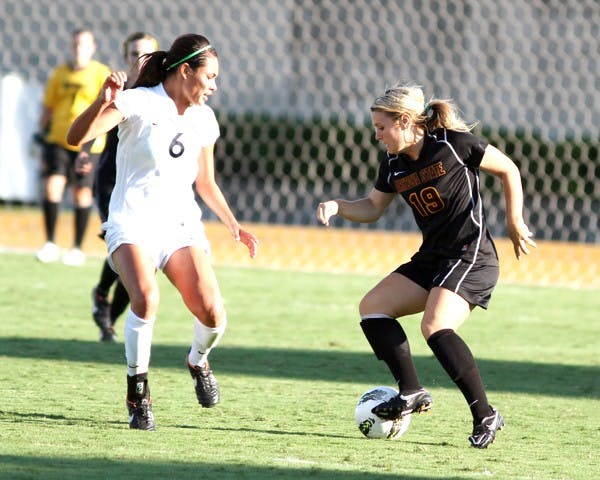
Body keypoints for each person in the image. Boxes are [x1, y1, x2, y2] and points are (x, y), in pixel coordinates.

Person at [317, 83, 536, 448]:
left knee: (434, 325)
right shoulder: (393, 162)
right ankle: (412, 391)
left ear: (404, 121)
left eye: (381, 127)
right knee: (373, 308)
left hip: (471, 254)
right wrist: (338, 205)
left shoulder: (453, 144)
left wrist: (515, 221)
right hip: (434, 257)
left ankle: (486, 415)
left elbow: (509, 169)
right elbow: (373, 207)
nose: (377, 135)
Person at [67, 33, 258, 430]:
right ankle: (138, 392)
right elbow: (76, 137)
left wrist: (234, 226)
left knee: (212, 313)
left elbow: (205, 184)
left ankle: (198, 360)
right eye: (210, 76)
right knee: (146, 297)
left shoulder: (204, 119)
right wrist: (103, 101)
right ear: (185, 70)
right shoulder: (138, 101)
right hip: (132, 221)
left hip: (180, 225)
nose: (215, 85)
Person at [89, 32, 159, 342]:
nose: (139, 60)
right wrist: (81, 153)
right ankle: (103, 295)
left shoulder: (162, 94)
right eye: (133, 54)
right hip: (112, 182)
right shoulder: (119, 89)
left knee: (146, 262)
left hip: (145, 187)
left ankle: (109, 316)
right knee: (125, 246)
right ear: (125, 57)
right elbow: (92, 124)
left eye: (146, 54)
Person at [36, 28, 111, 266]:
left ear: (92, 48)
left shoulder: (100, 73)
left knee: (82, 193)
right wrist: (39, 133)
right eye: (75, 44)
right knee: (52, 187)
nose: (79, 49)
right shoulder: (59, 73)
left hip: (88, 144)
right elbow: (48, 107)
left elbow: (106, 108)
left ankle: (77, 248)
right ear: (70, 46)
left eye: (84, 45)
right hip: (58, 140)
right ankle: (50, 243)